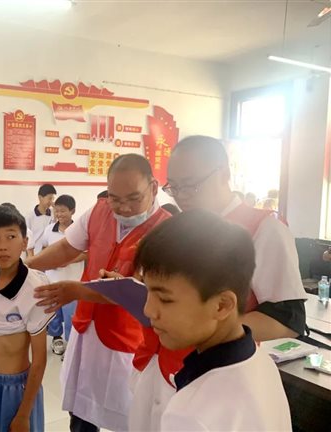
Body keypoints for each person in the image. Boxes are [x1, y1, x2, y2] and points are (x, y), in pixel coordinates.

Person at [126, 135, 306, 430]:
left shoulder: (264, 229)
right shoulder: (180, 227)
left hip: (218, 372)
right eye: (174, 187)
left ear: (224, 174)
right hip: (165, 367)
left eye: (191, 184)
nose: (181, 195)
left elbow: (287, 319)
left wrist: (201, 324)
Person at [28, 154, 171, 432]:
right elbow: (67, 247)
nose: (124, 208)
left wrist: (76, 290)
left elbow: (144, 289)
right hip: (87, 328)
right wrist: (26, 266)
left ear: (153, 188)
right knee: (82, 410)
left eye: (133, 198)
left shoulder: (167, 229)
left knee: (130, 415)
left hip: (129, 339)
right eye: (115, 198)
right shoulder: (99, 211)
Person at [133, 209, 291, 431]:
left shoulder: (190, 415)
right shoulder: (260, 362)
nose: (148, 310)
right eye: (147, 290)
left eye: (165, 299)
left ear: (222, 305)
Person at [0, 205, 54, 432]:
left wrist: (24, 414)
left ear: (25, 242)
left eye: (11, 236)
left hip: (16, 391)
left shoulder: (34, 290)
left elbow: (40, 360)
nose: (3, 246)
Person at [39, 194, 86, 356]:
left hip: (73, 282)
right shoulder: (49, 230)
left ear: (72, 211)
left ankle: (71, 346)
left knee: (72, 315)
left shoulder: (80, 230)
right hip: (52, 280)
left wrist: (68, 260)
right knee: (54, 313)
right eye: (56, 211)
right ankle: (56, 338)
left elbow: (87, 253)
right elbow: (44, 249)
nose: (59, 214)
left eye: (63, 211)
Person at [26, 183, 57, 255]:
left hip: (49, 254)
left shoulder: (54, 213)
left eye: (53, 199)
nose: (51, 201)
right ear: (40, 197)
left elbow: (54, 233)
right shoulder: (29, 216)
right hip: (34, 255)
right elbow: (26, 238)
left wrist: (55, 214)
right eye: (49, 198)